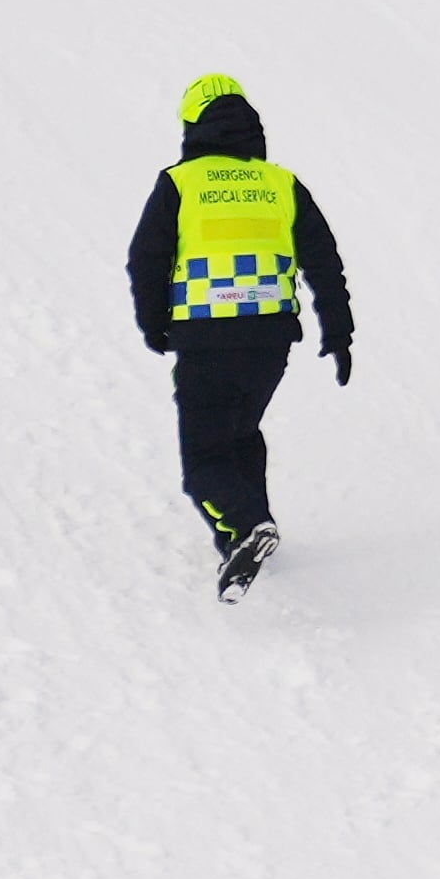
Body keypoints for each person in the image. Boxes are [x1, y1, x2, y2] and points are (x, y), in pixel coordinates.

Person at [125, 73, 356, 599]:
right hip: (270, 343)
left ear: (192, 126)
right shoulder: (280, 184)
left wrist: (154, 324)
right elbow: (323, 261)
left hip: (206, 340)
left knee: (203, 460)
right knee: (240, 433)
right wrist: (339, 331)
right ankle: (243, 538)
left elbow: (146, 261)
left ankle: (247, 525)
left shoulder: (180, 184)